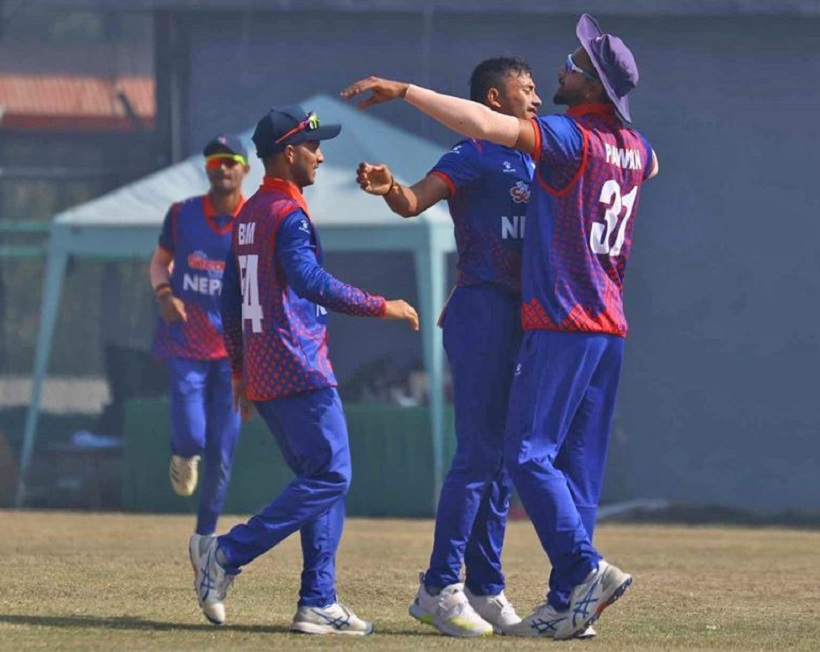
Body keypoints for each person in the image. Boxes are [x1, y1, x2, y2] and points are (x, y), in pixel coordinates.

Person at [342, 13, 659, 640]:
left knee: (527, 457)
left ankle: (550, 583)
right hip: (533, 315)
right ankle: (463, 584)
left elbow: (502, 127)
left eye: (567, 68)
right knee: (504, 456)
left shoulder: (562, 142)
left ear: (591, 85)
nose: (546, 87)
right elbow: (646, 165)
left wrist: (406, 90)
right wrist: (393, 194)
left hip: (556, 317)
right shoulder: (618, 147)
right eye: (531, 85)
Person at [189, 104, 420, 635]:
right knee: (333, 475)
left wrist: (242, 373)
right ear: (288, 153)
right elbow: (311, 280)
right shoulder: (286, 214)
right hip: (298, 364)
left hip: (269, 372)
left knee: (321, 479)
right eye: (313, 147)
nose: (320, 155)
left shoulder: (248, 212)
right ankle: (225, 553)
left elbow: (229, 300)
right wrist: (380, 305)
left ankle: (318, 600)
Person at [355, 57, 541, 638]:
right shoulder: (472, 154)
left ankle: (486, 588)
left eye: (538, 88)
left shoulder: (539, 156)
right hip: (481, 310)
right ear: (493, 98)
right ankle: (438, 586)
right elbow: (414, 202)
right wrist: (390, 189)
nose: (536, 98)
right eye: (526, 88)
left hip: (524, 317)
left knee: (506, 460)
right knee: (478, 455)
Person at [149, 134, 249, 538]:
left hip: (235, 353)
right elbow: (160, 262)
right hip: (187, 345)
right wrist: (164, 293)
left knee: (222, 452)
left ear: (245, 168)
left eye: (230, 160)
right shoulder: (182, 214)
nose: (222, 167)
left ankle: (205, 538)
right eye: (214, 161)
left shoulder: (257, 219)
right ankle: (182, 454)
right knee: (192, 438)